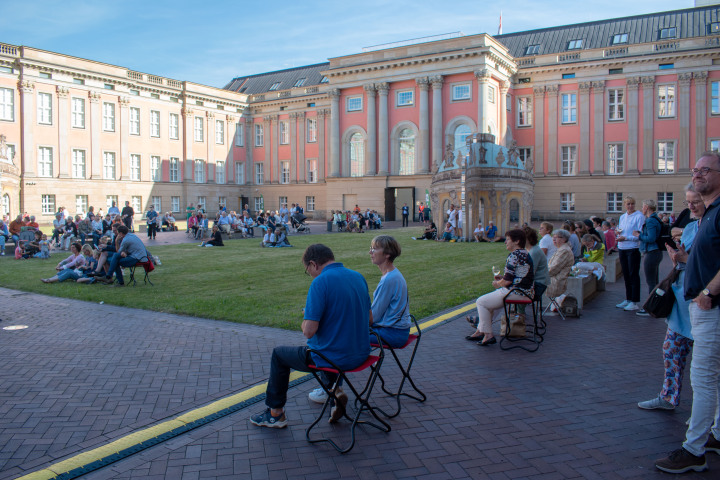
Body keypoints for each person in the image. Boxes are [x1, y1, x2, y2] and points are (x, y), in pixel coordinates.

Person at [250, 244, 371, 428]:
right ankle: (332, 393)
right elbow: (370, 319)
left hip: (334, 358)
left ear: (313, 264)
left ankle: (275, 414)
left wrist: (307, 316)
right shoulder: (358, 277)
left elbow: (308, 331)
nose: (310, 275)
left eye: (308, 271)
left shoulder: (320, 282)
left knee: (280, 355)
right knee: (328, 341)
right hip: (361, 354)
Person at [655, 152, 720, 474]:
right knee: (711, 376)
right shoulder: (707, 216)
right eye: (695, 170)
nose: (698, 174)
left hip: (709, 306)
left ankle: (694, 449)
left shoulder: (717, 213)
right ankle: (716, 435)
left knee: (704, 378)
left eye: (705, 170)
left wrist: (708, 292)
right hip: (699, 304)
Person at [638, 184, 705, 413]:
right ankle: (668, 396)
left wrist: (689, 258)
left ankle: (705, 415)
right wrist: (677, 258)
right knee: (671, 349)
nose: (691, 206)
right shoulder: (690, 228)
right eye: (688, 201)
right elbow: (684, 261)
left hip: (703, 303)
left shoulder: (712, 227)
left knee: (705, 366)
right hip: (681, 298)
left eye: (696, 201)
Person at [466, 229, 534, 346]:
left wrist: (498, 283)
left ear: (517, 241)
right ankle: (480, 331)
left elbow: (507, 281)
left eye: (507, 240)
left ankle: (487, 335)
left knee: (481, 302)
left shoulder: (514, 255)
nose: (505, 242)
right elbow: (516, 276)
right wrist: (503, 279)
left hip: (516, 292)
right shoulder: (525, 253)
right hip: (526, 292)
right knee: (492, 304)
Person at [634, 199, 663, 316]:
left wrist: (638, 235)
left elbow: (651, 238)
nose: (642, 209)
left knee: (651, 282)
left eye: (643, 206)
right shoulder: (656, 218)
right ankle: (654, 306)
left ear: (646, 207)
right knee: (654, 281)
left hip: (651, 252)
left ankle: (649, 308)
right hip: (656, 252)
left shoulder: (650, 221)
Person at [615, 196, 645, 312]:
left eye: (632, 204)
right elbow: (621, 229)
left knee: (633, 274)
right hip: (622, 247)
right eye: (628, 204)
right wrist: (617, 233)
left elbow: (638, 234)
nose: (630, 206)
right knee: (626, 274)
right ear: (625, 205)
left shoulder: (639, 216)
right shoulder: (622, 217)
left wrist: (626, 237)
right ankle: (628, 298)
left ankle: (634, 301)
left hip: (632, 248)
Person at [545, 229, 575, 314]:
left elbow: (553, 269)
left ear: (564, 239)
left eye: (556, 237)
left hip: (555, 282)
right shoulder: (561, 249)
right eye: (553, 237)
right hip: (553, 279)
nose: (553, 240)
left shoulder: (564, 250)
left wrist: (539, 275)